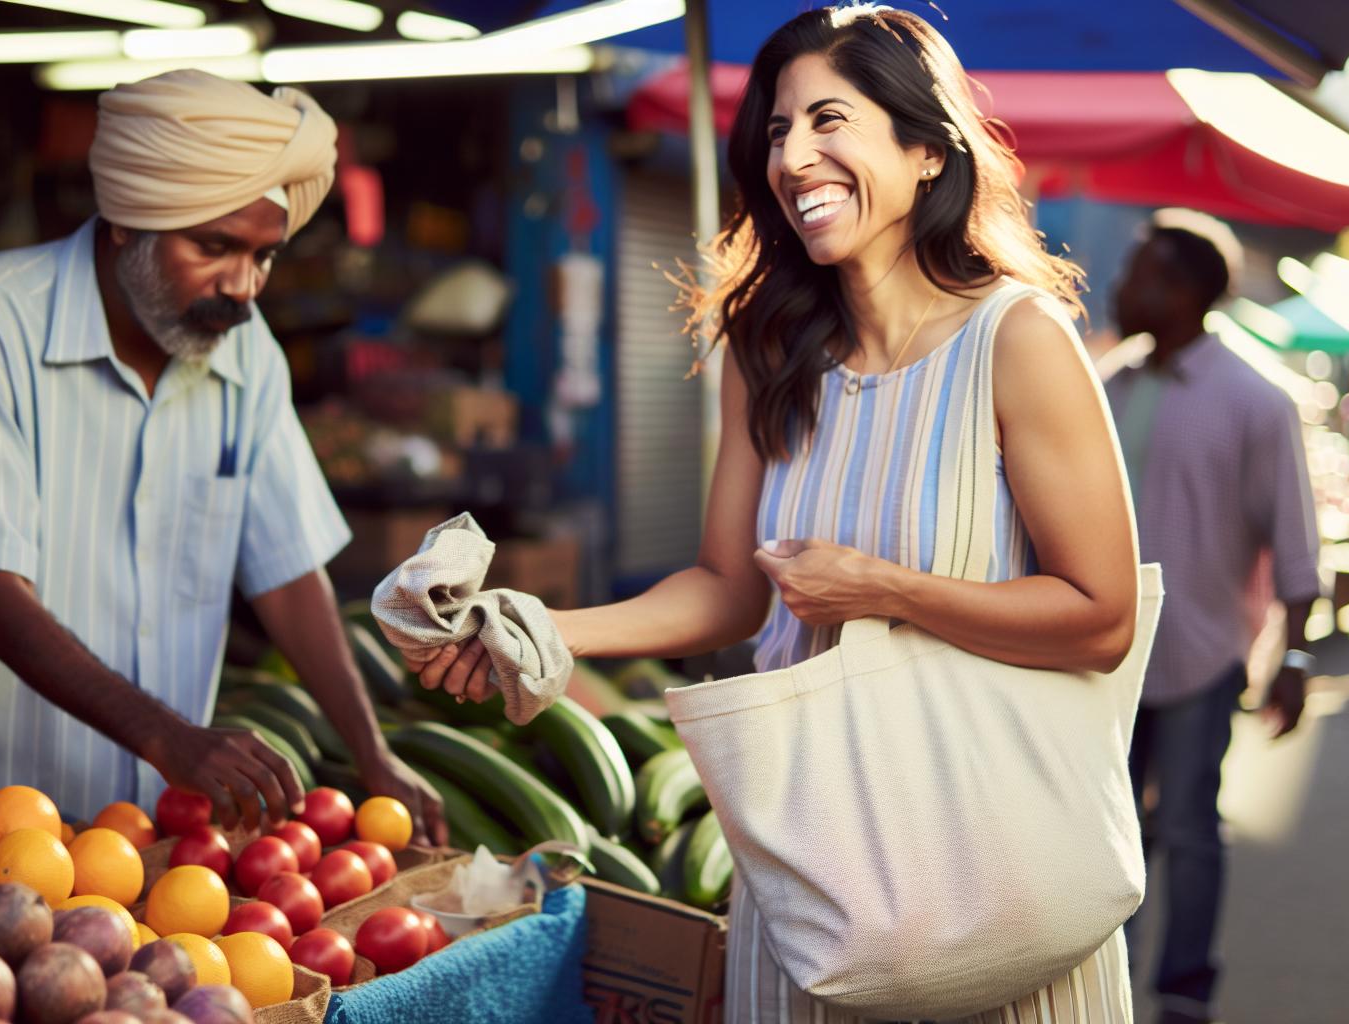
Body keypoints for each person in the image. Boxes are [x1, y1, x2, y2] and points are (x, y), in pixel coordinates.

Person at [412, 7, 1140, 1022]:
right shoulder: (767, 350)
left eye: (828, 121)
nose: (794, 156)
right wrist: (531, 628)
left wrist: (882, 591)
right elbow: (726, 588)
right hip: (815, 866)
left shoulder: (1016, 343)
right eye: (774, 129)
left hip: (986, 871)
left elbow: (1101, 618)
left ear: (926, 148)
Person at [0, 70, 447, 839]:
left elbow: (288, 575)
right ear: (123, 222)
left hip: (146, 834)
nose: (242, 288)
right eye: (214, 247)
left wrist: (373, 756)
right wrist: (170, 737)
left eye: (265, 256)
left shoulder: (250, 359)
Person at [1105, 209, 1321, 1024]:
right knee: (1109, 834)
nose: (1122, 288)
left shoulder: (1257, 400)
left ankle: (1183, 995)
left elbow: (1297, 543)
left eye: (1139, 273)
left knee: (1191, 828)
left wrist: (1293, 661)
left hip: (1202, 652)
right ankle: (1107, 982)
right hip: (1104, 659)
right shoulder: (1106, 385)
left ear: (1186, 291)